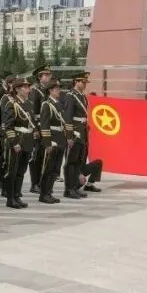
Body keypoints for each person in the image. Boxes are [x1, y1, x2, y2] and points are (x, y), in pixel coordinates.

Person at [1, 78, 36, 209]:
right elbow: (8, 126)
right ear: (17, 89)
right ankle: (10, 198)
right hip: (17, 140)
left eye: (28, 87)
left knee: (21, 171)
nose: (28, 89)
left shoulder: (29, 104)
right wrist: (14, 142)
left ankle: (17, 195)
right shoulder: (12, 104)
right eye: (24, 87)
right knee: (12, 171)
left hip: (27, 140)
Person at [62, 72, 92, 200]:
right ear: (76, 82)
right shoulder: (71, 96)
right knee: (71, 162)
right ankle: (68, 189)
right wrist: (69, 136)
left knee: (79, 161)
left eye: (85, 82)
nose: (84, 84)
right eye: (82, 82)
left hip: (82, 131)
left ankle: (74, 187)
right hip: (75, 132)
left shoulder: (82, 96)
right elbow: (68, 117)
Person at [38, 80, 67, 204]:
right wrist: (48, 143)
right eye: (56, 88)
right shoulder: (47, 105)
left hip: (60, 139)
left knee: (55, 169)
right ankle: (44, 194)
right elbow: (44, 125)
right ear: (50, 90)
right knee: (48, 169)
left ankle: (49, 192)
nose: (59, 90)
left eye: (59, 88)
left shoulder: (58, 104)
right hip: (52, 140)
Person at [28, 65, 53, 194]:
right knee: (36, 157)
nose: (49, 77)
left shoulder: (46, 91)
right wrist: (35, 129)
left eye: (49, 75)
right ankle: (34, 184)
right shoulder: (35, 91)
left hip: (45, 126)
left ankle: (40, 181)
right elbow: (31, 112)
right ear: (40, 77)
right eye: (46, 75)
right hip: (38, 126)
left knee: (44, 156)